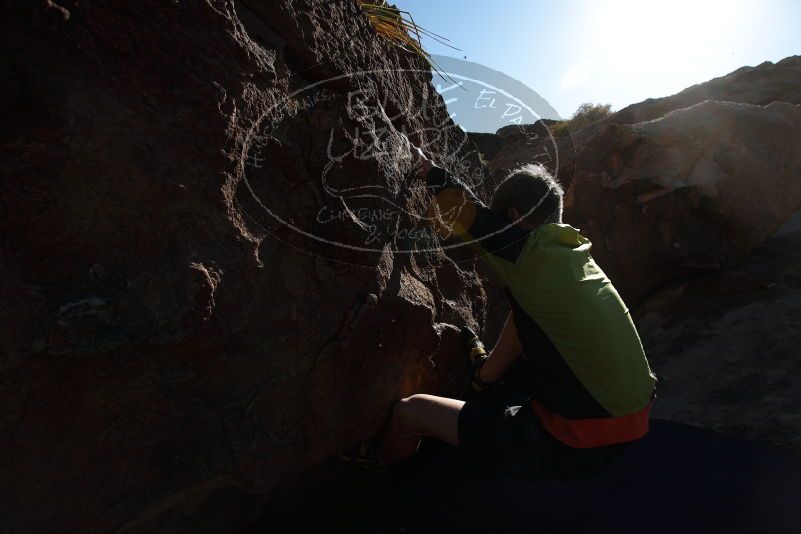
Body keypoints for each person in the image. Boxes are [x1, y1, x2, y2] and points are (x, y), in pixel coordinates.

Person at [343, 143, 658, 480]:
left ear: (513, 218)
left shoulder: (527, 253)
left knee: (411, 411)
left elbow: (464, 210)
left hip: (573, 443)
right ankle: (488, 383)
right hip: (634, 421)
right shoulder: (575, 256)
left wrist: (429, 170)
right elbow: (526, 319)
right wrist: (484, 375)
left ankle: (381, 465)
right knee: (519, 361)